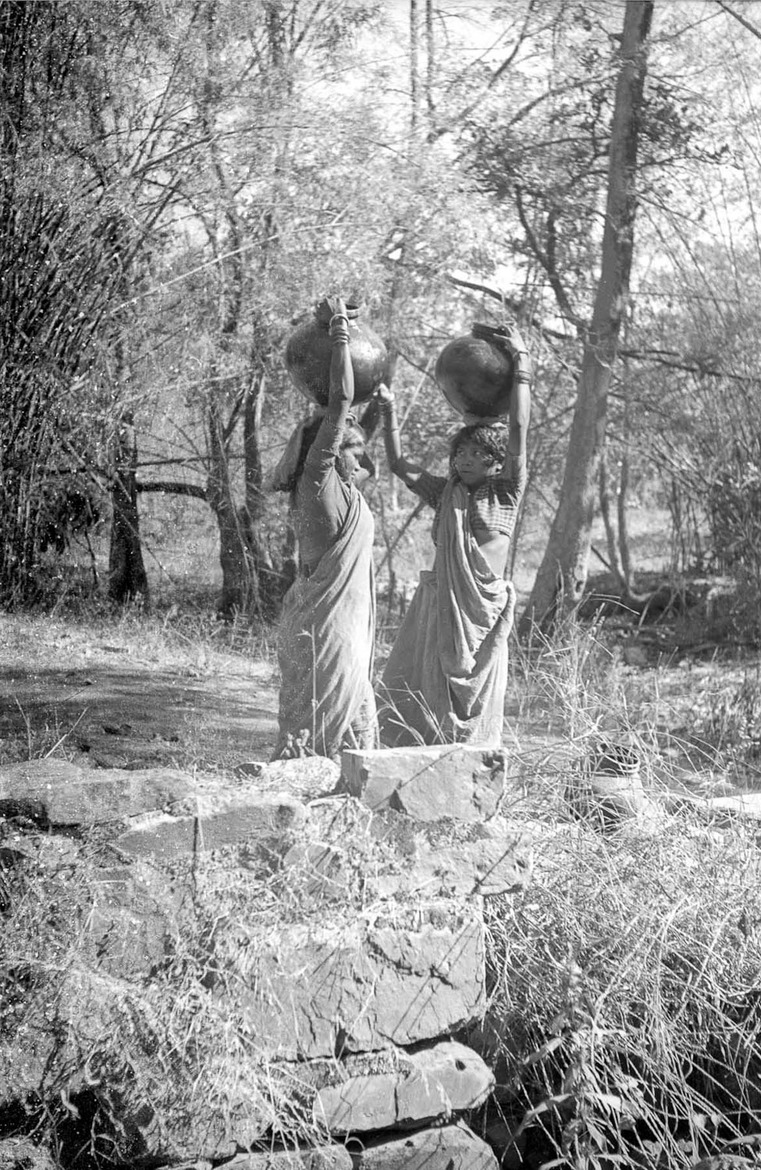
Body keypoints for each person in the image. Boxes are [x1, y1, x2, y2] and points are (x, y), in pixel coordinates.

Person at [376, 321, 531, 748]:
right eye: (459, 452)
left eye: (476, 453)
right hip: (442, 606)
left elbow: (517, 428)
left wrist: (521, 364)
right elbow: (400, 466)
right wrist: (389, 411)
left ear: (497, 463)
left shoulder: (506, 491)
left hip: (479, 617)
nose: (464, 459)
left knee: (474, 708)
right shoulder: (448, 494)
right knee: (425, 695)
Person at [270, 296, 378, 760]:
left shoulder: (339, 489)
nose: (364, 462)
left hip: (329, 628)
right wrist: (338, 334)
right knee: (323, 743)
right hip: (326, 632)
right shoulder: (318, 480)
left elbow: (351, 415)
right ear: (332, 452)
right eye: (353, 450)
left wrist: (381, 410)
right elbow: (341, 401)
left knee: (354, 736)